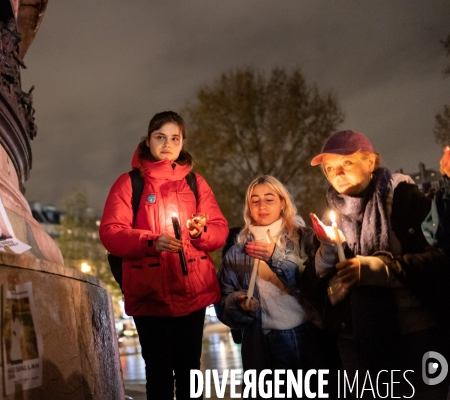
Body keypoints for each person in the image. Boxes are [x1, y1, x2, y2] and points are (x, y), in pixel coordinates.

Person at [307, 130, 450, 399]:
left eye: (346, 163)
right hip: (356, 343)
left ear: (370, 162)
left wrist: (378, 270)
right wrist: (327, 252)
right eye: (329, 168)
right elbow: (317, 282)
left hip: (413, 334)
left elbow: (440, 261)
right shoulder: (332, 214)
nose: (337, 173)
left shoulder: (405, 200)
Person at [99, 111, 228, 400]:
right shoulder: (129, 183)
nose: (167, 143)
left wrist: (199, 232)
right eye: (160, 137)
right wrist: (150, 242)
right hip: (150, 295)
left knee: (190, 374)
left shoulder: (196, 183)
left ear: (183, 142)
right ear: (148, 141)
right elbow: (111, 232)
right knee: (158, 374)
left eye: (174, 138)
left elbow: (219, 230)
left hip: (192, 292)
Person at [215, 175, 336, 379]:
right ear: (249, 208)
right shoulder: (238, 253)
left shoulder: (304, 238)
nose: (262, 205)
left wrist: (275, 257)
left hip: (312, 335)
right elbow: (223, 301)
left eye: (269, 199)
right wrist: (238, 304)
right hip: (268, 342)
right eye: (255, 200)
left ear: (282, 203)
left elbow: (315, 282)